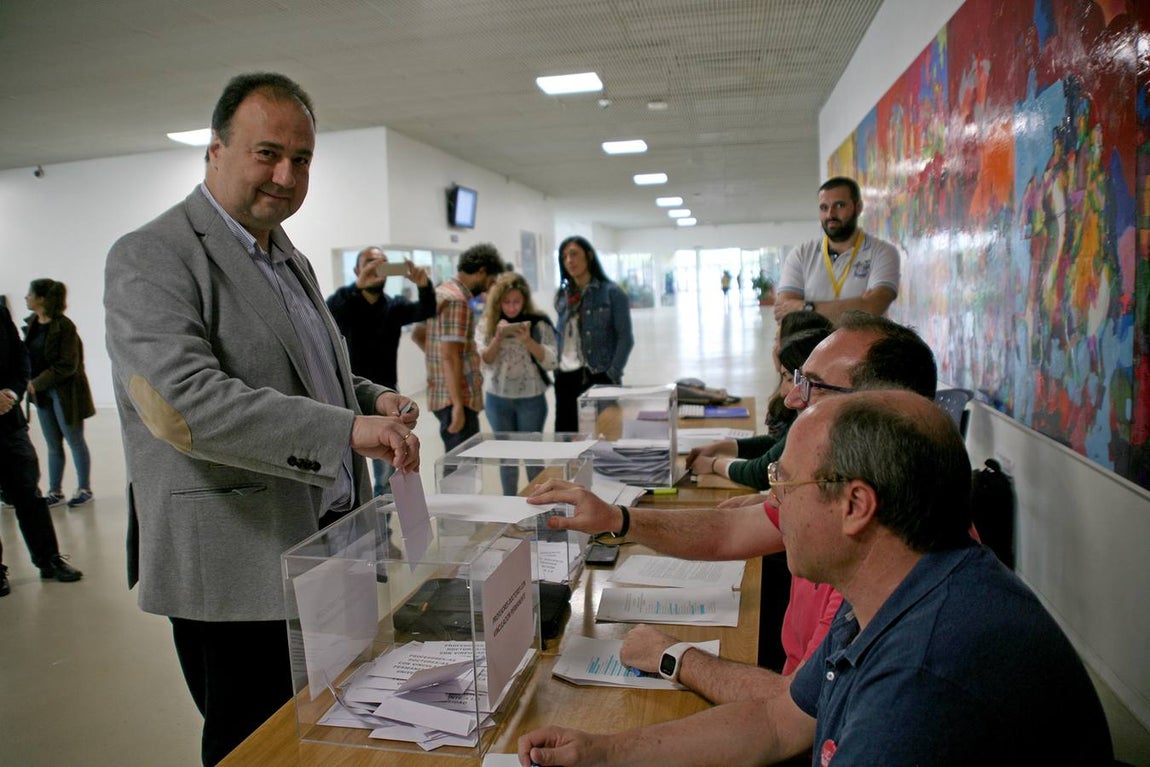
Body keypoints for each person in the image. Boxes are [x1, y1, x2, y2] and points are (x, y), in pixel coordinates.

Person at [518, 391, 1113, 766]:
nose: (772, 502)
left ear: (856, 505)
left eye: (785, 483)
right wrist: (601, 750)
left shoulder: (920, 685)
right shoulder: (893, 587)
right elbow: (776, 723)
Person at [104, 72, 421, 766]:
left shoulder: (285, 253)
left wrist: (369, 400)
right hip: (238, 564)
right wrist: (343, 429)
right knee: (256, 745)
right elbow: (183, 405)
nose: (286, 174)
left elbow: (315, 369)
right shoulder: (152, 255)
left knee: (324, 727)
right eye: (267, 153)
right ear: (214, 150)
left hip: (327, 543)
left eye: (302, 159)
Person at [690, 311, 936, 489]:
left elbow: (764, 471)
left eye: (811, 384)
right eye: (795, 379)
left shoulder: (861, 483)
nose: (791, 399)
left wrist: (715, 464)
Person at [327, 246, 435, 495]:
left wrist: (424, 285)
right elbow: (328, 316)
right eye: (370, 262)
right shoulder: (345, 302)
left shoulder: (393, 306)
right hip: (347, 394)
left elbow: (426, 310)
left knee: (388, 465)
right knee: (347, 469)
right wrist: (357, 288)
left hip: (386, 394)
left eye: (383, 263)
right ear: (357, 270)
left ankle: (382, 526)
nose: (378, 267)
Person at [0, 303, 83, 596]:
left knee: (29, 495)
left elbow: (19, 360)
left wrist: (11, 393)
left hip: (8, 423)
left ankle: (48, 559)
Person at [474, 272, 558, 494]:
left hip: (531, 398)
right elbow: (485, 359)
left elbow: (551, 360)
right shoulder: (488, 323)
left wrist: (528, 340)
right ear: (498, 302)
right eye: (506, 302)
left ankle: (540, 506)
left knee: (533, 456)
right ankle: (509, 508)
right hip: (497, 399)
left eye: (516, 301)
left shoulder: (538, 322)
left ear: (524, 300)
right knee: (506, 456)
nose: (512, 307)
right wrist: (498, 338)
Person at [773, 176, 900, 322]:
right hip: (812, 345)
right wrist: (857, 305)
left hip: (861, 345)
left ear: (858, 207)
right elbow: (785, 313)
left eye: (839, 205)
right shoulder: (801, 255)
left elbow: (872, 307)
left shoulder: (883, 252)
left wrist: (806, 308)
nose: (830, 214)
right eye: (824, 207)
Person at [22, 279, 97, 508]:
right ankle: (55, 491)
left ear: (41, 299)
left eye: (30, 294)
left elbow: (68, 365)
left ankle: (84, 488)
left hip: (66, 393)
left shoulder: (64, 326)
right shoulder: (33, 323)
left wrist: (37, 382)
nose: (26, 297)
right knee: (53, 444)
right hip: (42, 393)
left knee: (74, 440)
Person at [424, 243, 504, 453]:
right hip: (457, 398)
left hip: (442, 393)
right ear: (481, 271)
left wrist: (439, 361)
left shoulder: (440, 292)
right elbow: (450, 355)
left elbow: (418, 335)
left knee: (458, 464)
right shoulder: (457, 300)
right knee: (463, 468)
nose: (488, 288)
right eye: (490, 281)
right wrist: (458, 405)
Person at [553, 235, 633, 432]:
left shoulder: (612, 293)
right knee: (566, 435)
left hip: (599, 374)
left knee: (604, 433)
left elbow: (625, 337)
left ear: (589, 256)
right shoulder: (563, 295)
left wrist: (612, 373)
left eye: (574, 254)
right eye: (564, 257)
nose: (569, 261)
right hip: (566, 376)